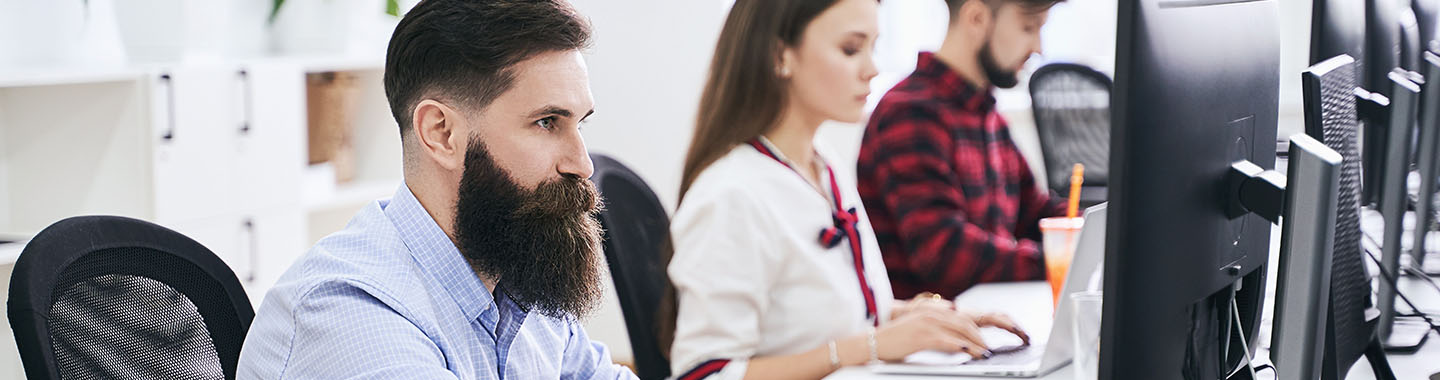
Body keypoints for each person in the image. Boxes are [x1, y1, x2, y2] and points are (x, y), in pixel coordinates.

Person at [236, 0, 635, 378]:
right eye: (547, 122)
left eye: (578, 124)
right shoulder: (350, 313)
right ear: (441, 133)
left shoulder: (517, 277)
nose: (582, 165)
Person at [662, 1, 1028, 379]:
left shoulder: (822, 166)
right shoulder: (730, 196)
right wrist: (870, 345)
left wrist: (925, 319)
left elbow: (820, 320)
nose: (872, 69)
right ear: (779, 56)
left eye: (873, 47)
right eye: (851, 49)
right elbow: (702, 373)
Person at [856, 0, 1067, 299]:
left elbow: (1033, 212)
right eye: (1028, 28)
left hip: (984, 320)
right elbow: (944, 252)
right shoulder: (909, 112)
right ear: (977, 18)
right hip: (931, 336)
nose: (1038, 47)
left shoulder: (986, 114)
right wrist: (1057, 260)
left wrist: (1092, 234)